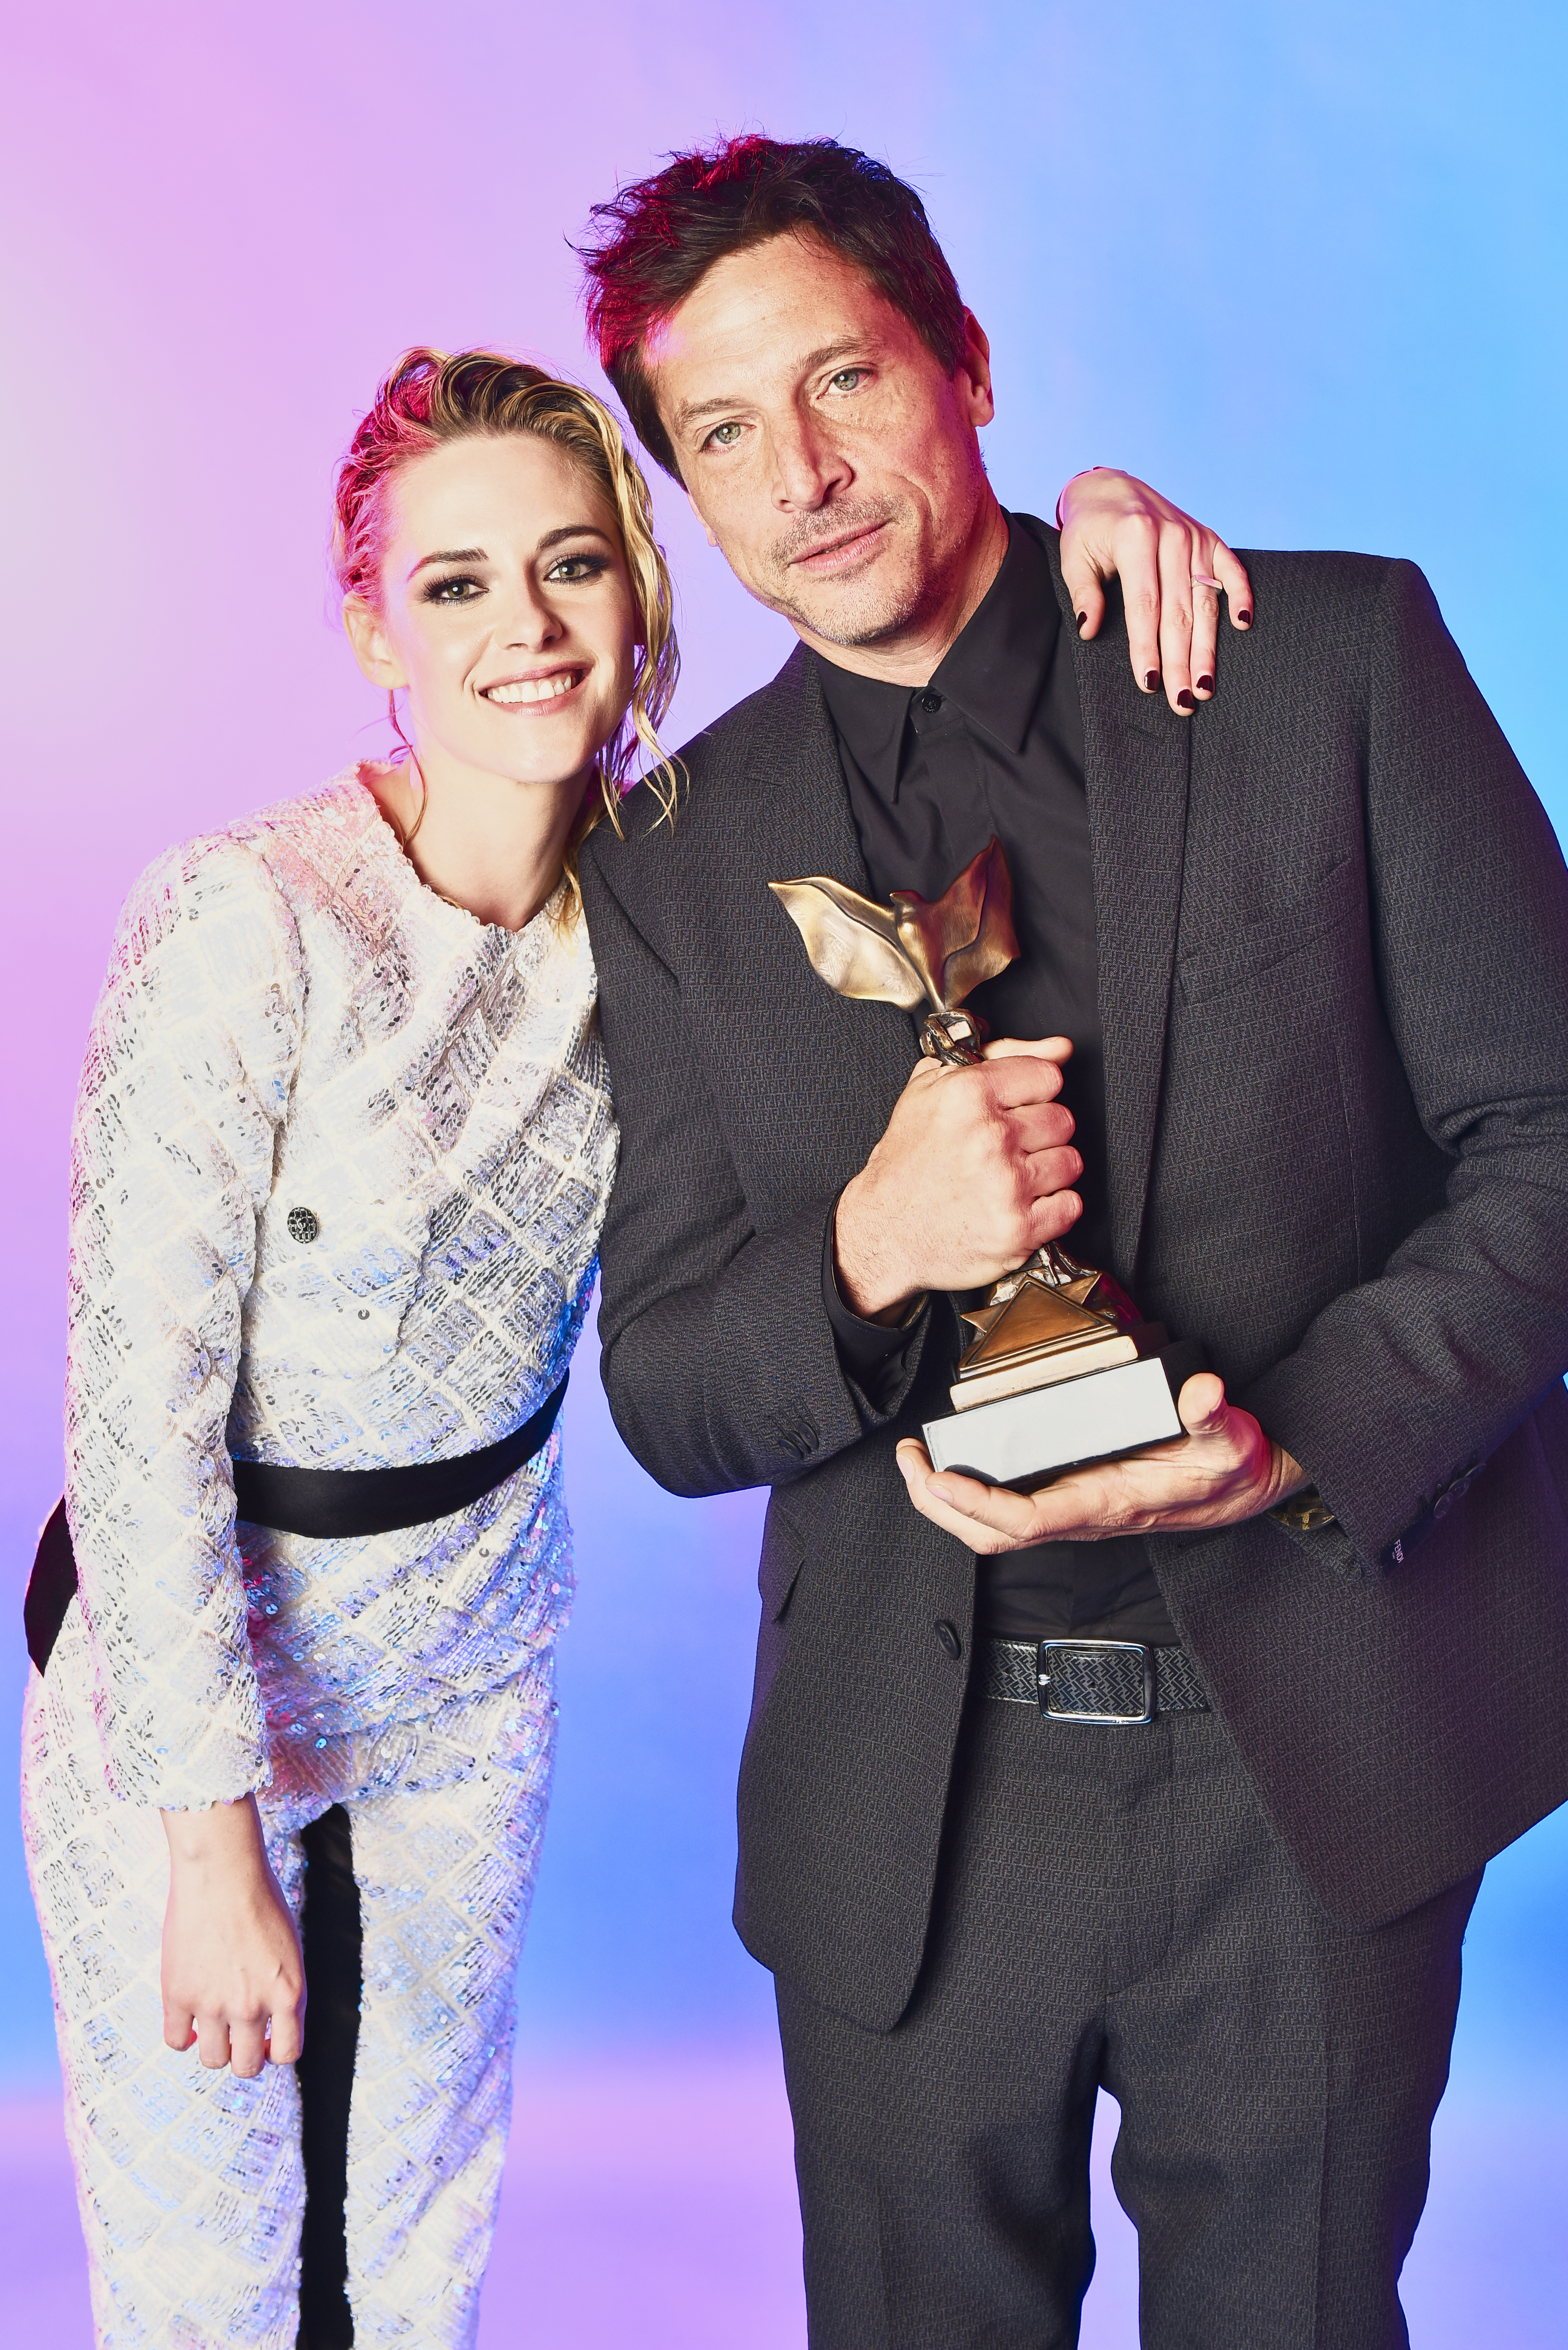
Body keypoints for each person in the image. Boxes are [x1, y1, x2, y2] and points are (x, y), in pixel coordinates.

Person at [19, 332, 1212, 2347]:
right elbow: (133, 1412)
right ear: (370, 624)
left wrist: (1090, 528)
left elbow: (934, 752)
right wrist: (202, 1835)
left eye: (572, 564)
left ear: (638, 590)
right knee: (210, 2271)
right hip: (190, 1673)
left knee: (408, 2248)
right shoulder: (246, 921)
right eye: (458, 583)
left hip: (470, 1660)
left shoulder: (667, 900)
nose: (526, 627)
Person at [575, 134, 1568, 2347]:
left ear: (970, 361)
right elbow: (660, 1384)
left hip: (1311, 1749)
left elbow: (1550, 1139)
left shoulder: (1316, 658)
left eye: (842, 380)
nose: (801, 475)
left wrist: (1288, 1439)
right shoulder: (666, 860)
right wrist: (860, 1248)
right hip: (910, 1809)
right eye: (724, 433)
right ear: (686, 490)